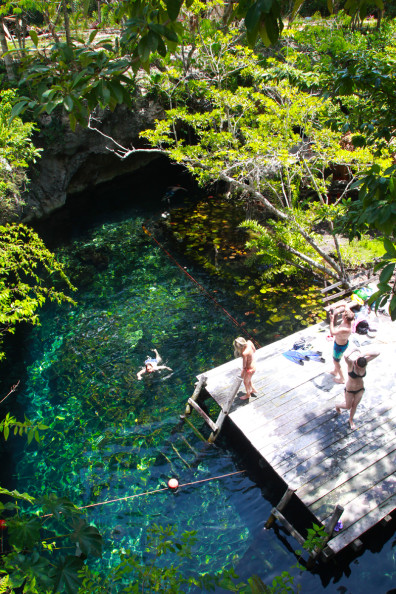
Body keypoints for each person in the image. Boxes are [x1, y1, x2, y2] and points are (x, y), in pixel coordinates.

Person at [335, 347, 379, 429]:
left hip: (360, 389)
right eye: (359, 367)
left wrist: (364, 354)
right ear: (356, 363)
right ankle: (337, 405)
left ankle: (351, 419)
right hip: (350, 390)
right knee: (348, 406)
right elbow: (345, 356)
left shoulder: (365, 361)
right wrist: (353, 349)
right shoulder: (351, 363)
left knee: (355, 405)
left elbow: (377, 352)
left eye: (363, 367)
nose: (361, 368)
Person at [329, 302, 355, 384]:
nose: (342, 314)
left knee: (336, 361)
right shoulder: (350, 318)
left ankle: (342, 378)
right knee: (336, 359)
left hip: (339, 347)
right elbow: (345, 304)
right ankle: (335, 371)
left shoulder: (345, 328)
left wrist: (332, 320)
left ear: (345, 318)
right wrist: (335, 306)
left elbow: (332, 332)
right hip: (341, 343)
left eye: (343, 314)